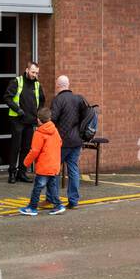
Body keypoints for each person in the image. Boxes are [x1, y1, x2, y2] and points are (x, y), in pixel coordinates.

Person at [50, 75, 88, 210]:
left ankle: (53, 198)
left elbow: (52, 119)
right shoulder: (78, 99)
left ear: (58, 85)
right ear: (68, 84)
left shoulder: (58, 100)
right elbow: (85, 118)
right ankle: (73, 200)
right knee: (73, 170)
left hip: (61, 142)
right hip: (76, 141)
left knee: (54, 170)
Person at [18, 107, 64, 216]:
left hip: (44, 166)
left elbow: (34, 151)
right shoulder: (54, 130)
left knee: (38, 188)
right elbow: (60, 143)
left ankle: (32, 208)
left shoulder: (39, 133)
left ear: (38, 120)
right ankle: (58, 206)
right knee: (52, 187)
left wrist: (25, 163)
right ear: (49, 118)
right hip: (54, 165)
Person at [4, 61, 43, 184]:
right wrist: (18, 110)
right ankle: (12, 173)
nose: (34, 75)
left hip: (30, 121)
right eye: (32, 72)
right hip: (17, 120)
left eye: (36, 73)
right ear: (27, 70)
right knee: (15, 147)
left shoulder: (37, 85)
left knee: (26, 148)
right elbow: (7, 98)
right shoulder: (17, 82)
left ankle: (22, 172)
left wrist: (38, 115)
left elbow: (42, 101)